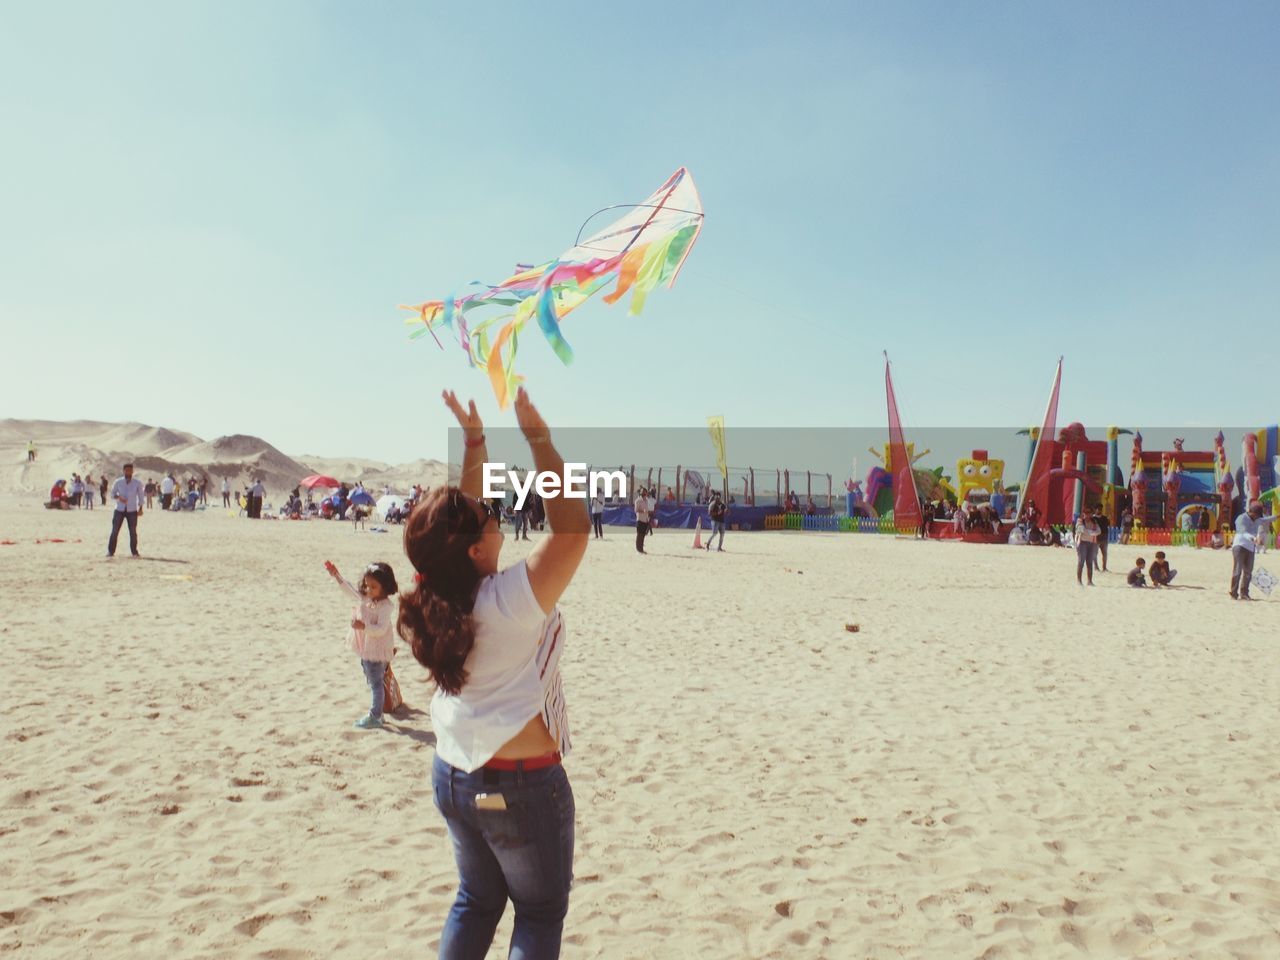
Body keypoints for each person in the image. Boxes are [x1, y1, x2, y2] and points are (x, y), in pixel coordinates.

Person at [397, 387, 587, 958]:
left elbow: (460, 522)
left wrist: (476, 443)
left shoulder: (435, 594)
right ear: (477, 551)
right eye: (490, 517)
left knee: (476, 901)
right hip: (520, 785)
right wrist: (539, 440)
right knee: (538, 914)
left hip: (453, 773)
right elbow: (572, 531)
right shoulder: (505, 602)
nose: (496, 516)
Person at [325, 559, 399, 728]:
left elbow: (380, 629)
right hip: (367, 649)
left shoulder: (386, 606)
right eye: (367, 585)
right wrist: (336, 575)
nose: (368, 590)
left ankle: (376, 715)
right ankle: (378, 713)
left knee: (375, 683)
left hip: (377, 651)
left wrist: (363, 626)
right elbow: (349, 590)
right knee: (373, 678)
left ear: (385, 587)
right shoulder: (367, 598)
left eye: (374, 587)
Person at [1230, 501, 1276, 600]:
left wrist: (1277, 516)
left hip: (1250, 548)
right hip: (1240, 546)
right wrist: (1255, 539)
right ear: (1251, 512)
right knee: (1237, 571)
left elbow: (1267, 519)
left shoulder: (1258, 519)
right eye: (1257, 515)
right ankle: (1233, 593)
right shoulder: (1241, 518)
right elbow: (1242, 532)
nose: (1257, 517)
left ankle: (1244, 593)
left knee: (1248, 572)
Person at [107, 463, 145, 558]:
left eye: (130, 470)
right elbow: (112, 494)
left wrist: (140, 508)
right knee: (115, 531)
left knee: (133, 532)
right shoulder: (118, 482)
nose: (128, 472)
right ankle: (110, 551)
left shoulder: (137, 483)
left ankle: (134, 552)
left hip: (132, 510)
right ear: (123, 471)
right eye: (126, 470)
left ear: (132, 471)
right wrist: (119, 497)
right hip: (119, 509)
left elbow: (141, 496)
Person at [1074, 512, 1100, 585]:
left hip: (1091, 543)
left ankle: (1089, 581)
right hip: (1082, 543)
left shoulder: (1094, 521)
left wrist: (1091, 532)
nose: (1088, 515)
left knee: (1089, 563)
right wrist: (1092, 532)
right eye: (1086, 513)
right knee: (1081, 562)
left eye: (1089, 513)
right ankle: (1079, 581)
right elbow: (1082, 530)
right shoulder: (1080, 521)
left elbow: (1099, 531)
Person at [634, 486, 651, 554]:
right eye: (642, 492)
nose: (644, 493)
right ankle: (638, 549)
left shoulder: (646, 500)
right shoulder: (637, 500)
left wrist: (647, 517)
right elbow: (636, 510)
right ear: (640, 493)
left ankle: (641, 549)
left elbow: (647, 510)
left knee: (643, 535)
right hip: (640, 519)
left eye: (645, 492)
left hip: (645, 519)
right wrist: (642, 511)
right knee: (639, 535)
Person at [1093, 506, 1110, 572]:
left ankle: (1104, 567)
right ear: (1095, 510)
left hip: (1104, 537)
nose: (1099, 511)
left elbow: (1107, 525)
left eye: (1100, 509)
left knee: (1105, 553)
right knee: (1095, 553)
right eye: (1098, 509)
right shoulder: (1093, 518)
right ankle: (1096, 567)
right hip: (1096, 537)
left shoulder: (1105, 518)